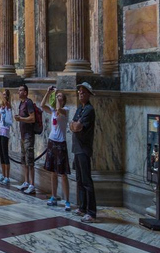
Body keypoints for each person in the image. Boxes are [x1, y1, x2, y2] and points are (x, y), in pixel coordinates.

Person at [41, 85, 71, 210]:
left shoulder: (66, 110)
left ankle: (67, 200)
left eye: (60, 97)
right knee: (53, 172)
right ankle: (53, 196)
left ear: (63, 101)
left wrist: (58, 94)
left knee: (62, 173)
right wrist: (48, 93)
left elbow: (58, 109)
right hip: (52, 141)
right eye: (57, 97)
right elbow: (42, 105)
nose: (57, 98)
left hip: (61, 143)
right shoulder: (53, 111)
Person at [71, 82, 97, 223]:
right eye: (79, 91)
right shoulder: (79, 109)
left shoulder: (89, 110)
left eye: (83, 92)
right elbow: (72, 124)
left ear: (88, 94)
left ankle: (91, 212)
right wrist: (74, 125)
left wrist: (75, 125)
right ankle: (82, 206)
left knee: (87, 181)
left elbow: (78, 126)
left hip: (84, 148)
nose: (80, 94)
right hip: (77, 148)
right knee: (80, 179)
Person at [14, 84, 36, 194]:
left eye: (20, 90)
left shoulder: (29, 103)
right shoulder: (21, 104)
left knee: (30, 161)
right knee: (24, 160)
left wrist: (21, 118)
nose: (18, 92)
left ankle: (32, 184)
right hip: (23, 136)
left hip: (28, 136)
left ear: (25, 92)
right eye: (18, 90)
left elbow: (32, 118)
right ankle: (26, 181)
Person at [0, 88, 13, 184]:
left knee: (5, 154)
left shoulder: (8, 106)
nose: (3, 96)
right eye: (3, 94)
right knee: (1, 154)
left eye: (5, 94)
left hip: (5, 132)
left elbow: (5, 101)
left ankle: (7, 177)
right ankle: (3, 174)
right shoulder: (1, 106)